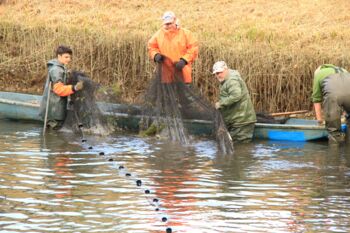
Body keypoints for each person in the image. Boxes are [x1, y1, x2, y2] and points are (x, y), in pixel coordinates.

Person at [148, 11, 198, 84]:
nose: (168, 26)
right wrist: (155, 55)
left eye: (170, 23)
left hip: (183, 74)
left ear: (175, 21)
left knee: (185, 95)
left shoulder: (186, 34)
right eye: (166, 24)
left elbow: (193, 48)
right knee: (167, 95)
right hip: (166, 77)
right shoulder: (158, 35)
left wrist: (184, 60)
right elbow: (151, 47)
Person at [39, 45, 83, 129]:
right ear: (59, 56)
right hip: (54, 111)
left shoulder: (60, 68)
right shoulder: (56, 70)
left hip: (56, 109)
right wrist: (75, 88)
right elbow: (58, 90)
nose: (69, 60)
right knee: (53, 136)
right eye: (66, 57)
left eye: (70, 57)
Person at [212, 61, 256, 143]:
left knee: (240, 147)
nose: (218, 75)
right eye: (216, 73)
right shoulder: (225, 79)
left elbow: (236, 96)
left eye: (219, 72)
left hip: (241, 121)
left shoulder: (232, 80)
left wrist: (220, 104)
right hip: (236, 120)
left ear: (226, 69)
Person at [312, 64, 350, 143]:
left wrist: (320, 121)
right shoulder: (344, 70)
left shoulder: (318, 74)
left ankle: (334, 153)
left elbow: (316, 100)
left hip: (334, 97)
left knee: (334, 132)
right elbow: (345, 92)